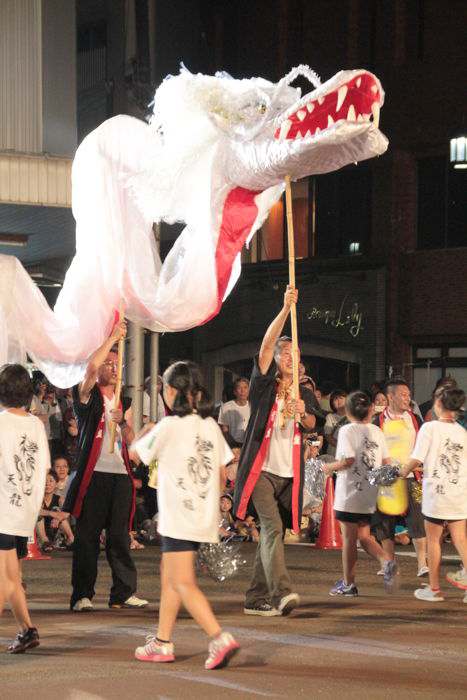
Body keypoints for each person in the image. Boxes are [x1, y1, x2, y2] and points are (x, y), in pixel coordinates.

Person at [130, 361, 240, 670]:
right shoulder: (209, 425)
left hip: (178, 514)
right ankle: (162, 642)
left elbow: (135, 454)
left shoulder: (168, 426)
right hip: (201, 514)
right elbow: (222, 473)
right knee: (170, 576)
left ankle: (218, 637)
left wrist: (141, 431)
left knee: (182, 582)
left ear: (173, 391)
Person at [233, 286, 317, 617]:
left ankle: (255, 597)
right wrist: (285, 310)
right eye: (285, 354)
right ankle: (281, 592)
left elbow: (312, 423)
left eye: (294, 354)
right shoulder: (264, 384)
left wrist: (302, 412)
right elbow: (267, 345)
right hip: (262, 471)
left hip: (289, 474)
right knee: (272, 530)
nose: (288, 357)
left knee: (273, 536)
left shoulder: (304, 390)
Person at [62, 320, 147, 612]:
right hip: (94, 474)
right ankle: (82, 594)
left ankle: (123, 592)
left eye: (116, 363)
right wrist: (112, 337)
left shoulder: (122, 399)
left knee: (120, 535)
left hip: (120, 475)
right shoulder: (87, 395)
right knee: (87, 535)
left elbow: (131, 445)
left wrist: (123, 422)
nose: (113, 367)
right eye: (108, 362)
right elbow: (88, 372)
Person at [323, 392, 398, 596]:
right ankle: (386, 560)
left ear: (348, 412)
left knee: (348, 539)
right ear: (371, 410)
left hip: (349, 493)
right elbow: (387, 463)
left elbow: (347, 460)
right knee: (364, 536)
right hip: (368, 493)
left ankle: (349, 584)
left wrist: (328, 467)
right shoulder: (377, 431)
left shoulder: (347, 430)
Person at [0, 364, 49, 653]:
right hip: (23, 513)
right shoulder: (35, 425)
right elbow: (42, 467)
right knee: (13, 577)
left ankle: (27, 630)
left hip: (3, 510)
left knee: (4, 580)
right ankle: (27, 630)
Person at [400, 386, 467, 602]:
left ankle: (435, 589)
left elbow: (417, 458)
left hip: (437, 493)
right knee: (460, 539)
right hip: (458, 491)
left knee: (434, 540)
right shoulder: (462, 431)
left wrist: (401, 472)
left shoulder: (429, 428)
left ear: (438, 404)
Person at [371, 379, 427, 577]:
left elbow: (423, 446)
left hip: (413, 476)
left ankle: (422, 564)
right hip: (386, 479)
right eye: (403, 394)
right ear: (390, 397)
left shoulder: (415, 420)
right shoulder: (377, 421)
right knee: (385, 522)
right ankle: (389, 564)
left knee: (418, 519)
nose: (407, 398)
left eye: (408, 394)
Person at [37, 469, 74, 551]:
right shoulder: (37, 499)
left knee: (60, 513)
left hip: (55, 531)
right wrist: (52, 514)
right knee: (38, 516)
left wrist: (58, 517)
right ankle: (45, 542)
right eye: (45, 481)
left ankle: (71, 539)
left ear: (56, 484)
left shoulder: (60, 499)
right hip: (39, 535)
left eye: (51, 481)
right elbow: (35, 512)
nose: (47, 484)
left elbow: (67, 514)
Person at [218, 377, 251, 447]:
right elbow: (225, 430)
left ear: (249, 390)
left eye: (245, 387)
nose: (242, 391)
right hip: (232, 444)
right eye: (239, 388)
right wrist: (234, 447)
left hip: (249, 445)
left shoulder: (253, 407)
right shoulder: (226, 407)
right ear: (235, 392)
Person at [324, 390, 347, 457]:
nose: (339, 401)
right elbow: (328, 436)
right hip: (334, 453)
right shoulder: (330, 417)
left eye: (341, 398)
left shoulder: (353, 416)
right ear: (332, 403)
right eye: (335, 399)